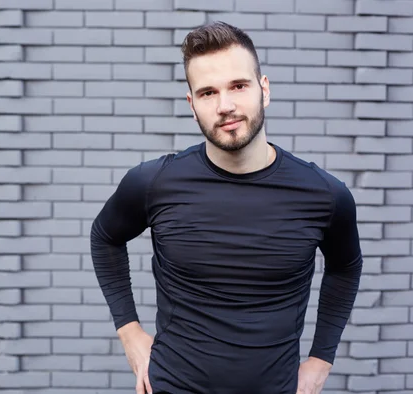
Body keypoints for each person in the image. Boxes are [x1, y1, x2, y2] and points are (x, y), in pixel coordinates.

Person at [90, 21, 363, 394]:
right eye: (207, 92)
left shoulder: (325, 195)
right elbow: (105, 236)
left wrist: (320, 360)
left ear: (263, 89)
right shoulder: (153, 183)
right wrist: (130, 332)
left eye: (238, 85)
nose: (225, 105)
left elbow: (346, 266)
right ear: (192, 105)